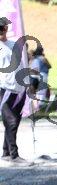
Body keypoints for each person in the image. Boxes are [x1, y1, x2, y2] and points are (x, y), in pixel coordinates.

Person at [0, 17, 32, 165]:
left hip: (19, 89)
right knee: (10, 122)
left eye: (2, 28)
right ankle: (14, 155)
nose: (1, 31)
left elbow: (22, 65)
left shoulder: (14, 45)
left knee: (14, 122)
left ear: (6, 28)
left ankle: (6, 152)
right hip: (5, 89)